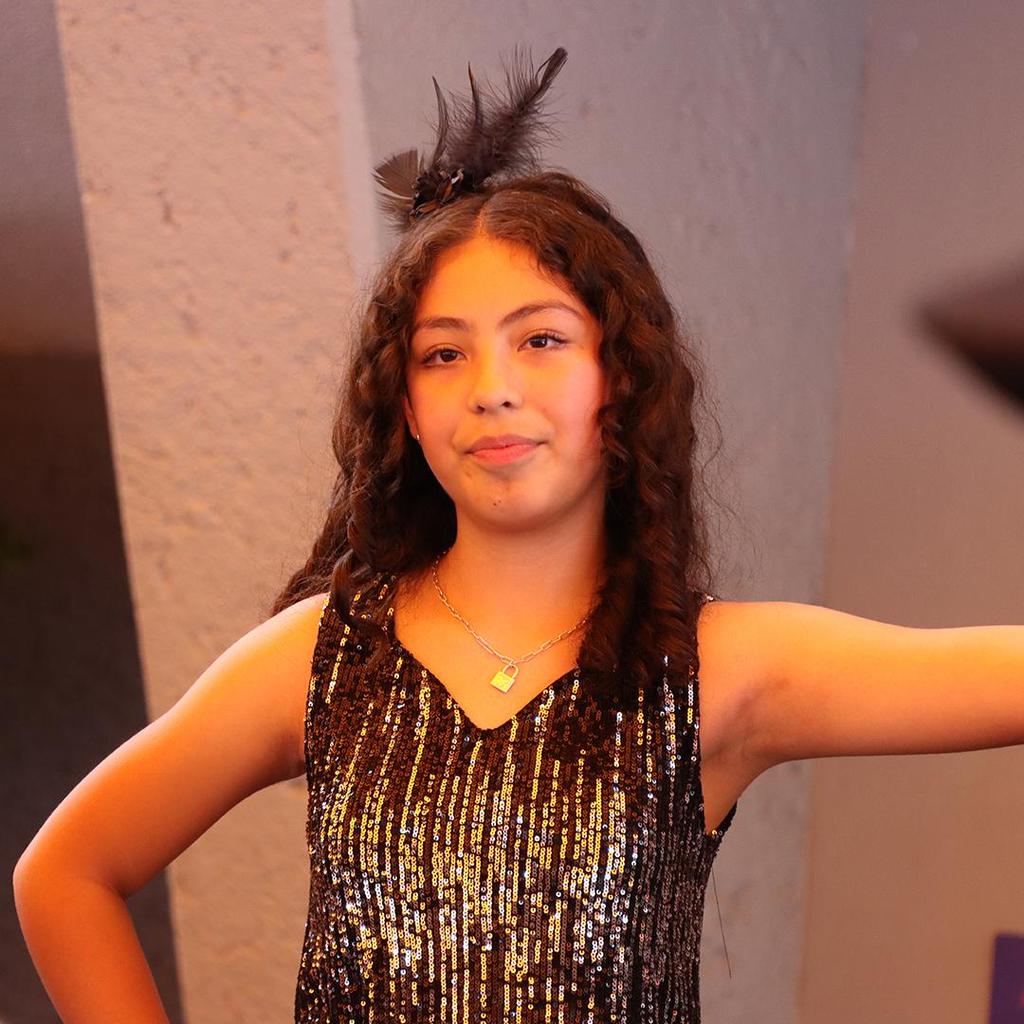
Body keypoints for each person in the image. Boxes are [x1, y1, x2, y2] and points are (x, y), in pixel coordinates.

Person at [13, 45, 1024, 1024]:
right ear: (406, 409)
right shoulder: (320, 657)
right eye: (443, 354)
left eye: (540, 339)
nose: (492, 388)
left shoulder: (714, 670)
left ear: (620, 379)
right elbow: (65, 872)